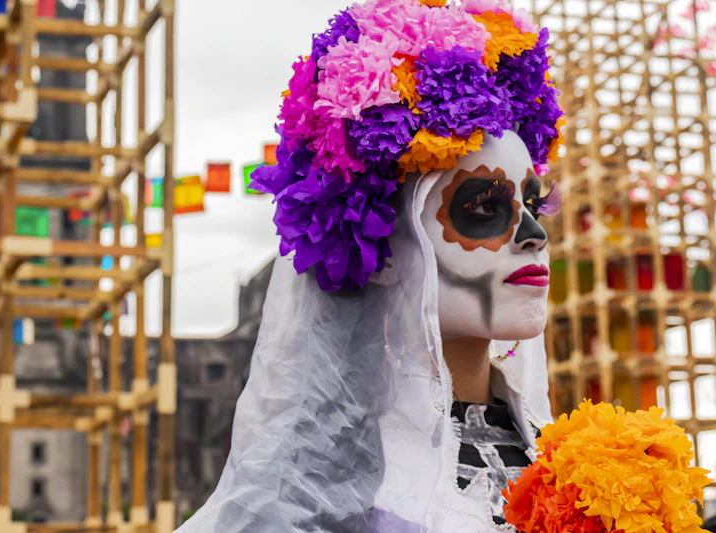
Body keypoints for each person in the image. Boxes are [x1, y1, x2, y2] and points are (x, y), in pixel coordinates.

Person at [175, 0, 564, 531]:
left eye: (534, 204)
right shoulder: (318, 482)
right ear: (384, 248)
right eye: (482, 208)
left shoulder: (573, 462)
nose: (534, 237)